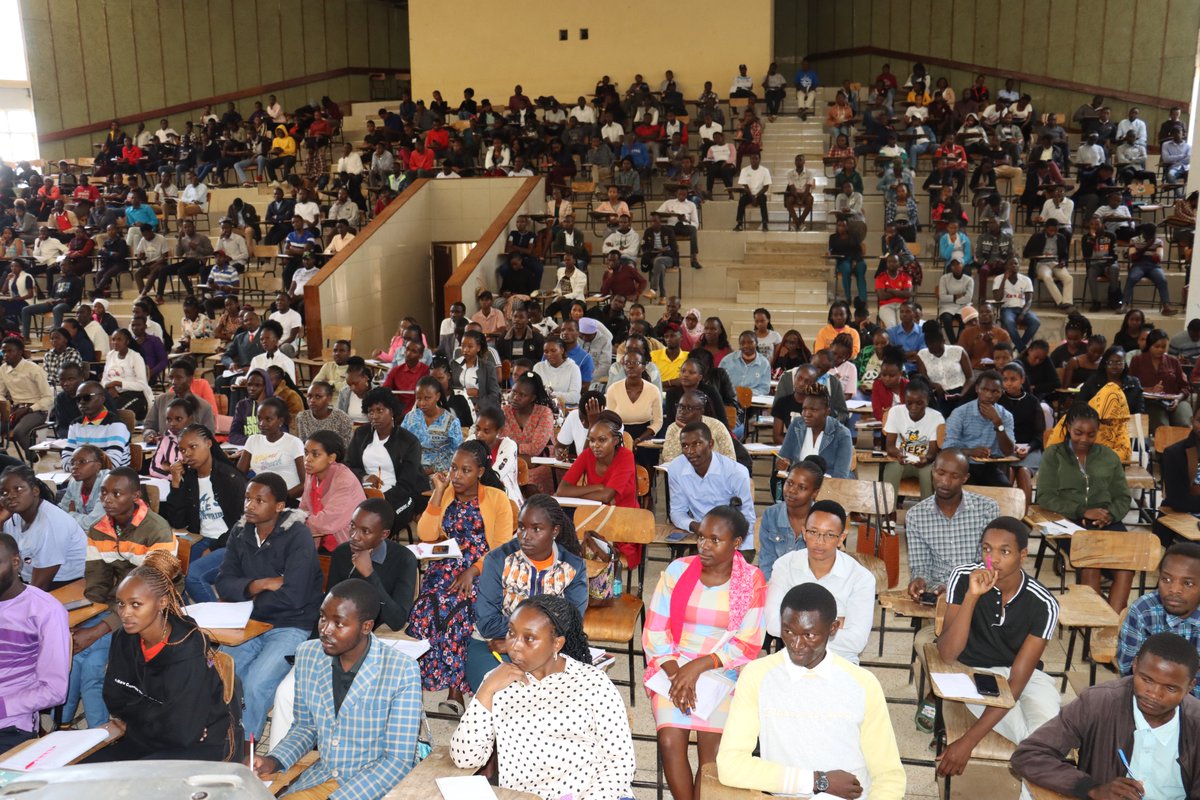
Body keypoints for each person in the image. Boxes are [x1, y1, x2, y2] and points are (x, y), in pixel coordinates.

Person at [717, 583, 906, 799]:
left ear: (833, 628)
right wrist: (817, 781)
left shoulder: (862, 683)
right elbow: (730, 765)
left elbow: (889, 775)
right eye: (788, 632)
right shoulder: (758, 676)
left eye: (809, 635)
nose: (797, 645)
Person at [451, 595, 636, 800]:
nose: (514, 645)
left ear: (557, 643)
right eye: (511, 633)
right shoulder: (497, 682)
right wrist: (486, 690)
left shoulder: (592, 682)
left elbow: (620, 762)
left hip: (596, 794)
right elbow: (464, 758)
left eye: (529, 638)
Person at [253, 578, 424, 798]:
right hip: (323, 778)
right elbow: (306, 727)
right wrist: (273, 760)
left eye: (338, 623)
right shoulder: (308, 654)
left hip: (374, 787)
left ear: (366, 626)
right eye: (323, 617)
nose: (325, 629)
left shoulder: (401, 670)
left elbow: (397, 761)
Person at [643, 506, 767, 800]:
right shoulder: (678, 570)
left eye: (715, 539)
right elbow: (655, 632)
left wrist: (697, 668)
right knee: (671, 742)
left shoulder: (751, 580)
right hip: (672, 664)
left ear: (736, 543)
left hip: (723, 670)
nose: (704, 546)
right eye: (701, 537)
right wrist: (678, 676)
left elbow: (748, 642)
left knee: (712, 755)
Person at [935, 516, 1061, 779]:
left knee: (1049, 743)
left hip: (1025, 677)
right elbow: (947, 654)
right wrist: (972, 596)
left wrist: (967, 742)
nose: (992, 560)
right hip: (976, 674)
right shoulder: (963, 577)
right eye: (986, 549)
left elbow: (1016, 681)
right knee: (1036, 745)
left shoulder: (1044, 603)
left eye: (1004, 551)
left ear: (1023, 555)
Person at [84, 551, 240, 763]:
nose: (125, 613)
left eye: (136, 604)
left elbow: (183, 732)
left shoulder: (187, 649)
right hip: (145, 738)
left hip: (196, 748)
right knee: (79, 772)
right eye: (120, 603)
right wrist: (158, 715)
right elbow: (114, 698)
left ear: (162, 602)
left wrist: (136, 719)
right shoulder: (123, 637)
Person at [1012, 632, 1200, 798]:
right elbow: (1029, 754)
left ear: (1190, 686)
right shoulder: (1099, 702)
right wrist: (1092, 788)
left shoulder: (1196, 723)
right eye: (1146, 679)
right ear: (1134, 666)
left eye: (1170, 688)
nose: (1154, 694)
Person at [215, 474, 324, 743]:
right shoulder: (240, 532)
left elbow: (295, 596)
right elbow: (223, 582)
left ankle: (244, 747)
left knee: (256, 683)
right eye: (248, 498)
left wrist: (246, 597)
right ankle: (219, 737)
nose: (249, 505)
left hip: (292, 624)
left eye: (259, 500)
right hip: (249, 622)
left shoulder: (297, 534)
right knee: (221, 673)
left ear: (278, 506)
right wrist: (257, 584)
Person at [410, 441, 514, 716]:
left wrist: (473, 570)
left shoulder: (496, 498)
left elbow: (502, 548)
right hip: (446, 565)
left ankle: (455, 692)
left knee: (460, 613)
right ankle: (419, 683)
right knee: (425, 610)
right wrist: (437, 493)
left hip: (483, 569)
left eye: (465, 470)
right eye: (453, 468)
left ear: (480, 471)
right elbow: (427, 534)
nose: (456, 475)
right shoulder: (446, 494)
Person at [67, 468, 177, 728]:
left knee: (92, 663)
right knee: (74, 651)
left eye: (117, 493)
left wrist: (97, 631)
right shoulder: (99, 530)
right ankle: (66, 723)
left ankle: (98, 737)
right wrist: (83, 624)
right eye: (104, 492)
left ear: (135, 496)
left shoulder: (157, 530)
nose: (108, 499)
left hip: (154, 611)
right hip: (117, 605)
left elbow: (151, 595)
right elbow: (96, 586)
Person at [466, 494, 588, 690]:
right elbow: (487, 623)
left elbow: (572, 622)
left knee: (561, 695)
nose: (525, 536)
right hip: (491, 646)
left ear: (554, 530)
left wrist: (519, 639)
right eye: (521, 527)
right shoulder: (498, 560)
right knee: (504, 692)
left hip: (550, 651)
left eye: (536, 529)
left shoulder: (572, 567)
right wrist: (525, 638)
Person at [1039, 404, 1134, 611]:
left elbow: (1123, 497)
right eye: (1078, 433)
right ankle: (1095, 621)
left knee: (1127, 566)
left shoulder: (1109, 457)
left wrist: (1110, 515)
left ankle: (1113, 624)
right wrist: (1082, 510)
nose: (1084, 439)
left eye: (1091, 434)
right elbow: (1044, 497)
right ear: (1067, 429)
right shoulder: (1054, 455)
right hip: (1068, 522)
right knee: (1091, 561)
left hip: (1106, 521)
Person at [764, 500, 875, 664]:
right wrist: (833, 624)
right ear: (803, 532)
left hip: (840, 662)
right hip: (793, 658)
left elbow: (856, 642)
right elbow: (773, 625)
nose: (819, 541)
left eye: (829, 535)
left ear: (841, 538)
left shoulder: (861, 578)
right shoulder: (784, 566)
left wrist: (795, 626)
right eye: (813, 532)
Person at [0, 532, 70, 751]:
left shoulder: (44, 611)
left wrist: (2, 707)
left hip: (9, 725)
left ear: (15, 562)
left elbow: (55, 690)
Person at [346, 388, 430, 532]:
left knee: (378, 522)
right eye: (371, 412)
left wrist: (381, 499)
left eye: (380, 410)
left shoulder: (409, 441)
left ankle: (379, 551)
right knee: (346, 516)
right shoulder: (361, 434)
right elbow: (348, 466)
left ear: (391, 412)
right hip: (364, 494)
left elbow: (407, 484)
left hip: (399, 497)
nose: (375, 416)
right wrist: (364, 477)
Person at [0, 464, 85, 591]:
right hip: (28, 581)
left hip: (67, 585)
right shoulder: (14, 517)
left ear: (35, 491)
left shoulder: (51, 522)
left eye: (18, 489)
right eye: (3, 493)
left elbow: (39, 587)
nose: (10, 496)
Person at [667, 423, 755, 543]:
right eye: (685, 446)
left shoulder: (735, 472)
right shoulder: (676, 468)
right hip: (700, 535)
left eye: (697, 444)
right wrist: (695, 526)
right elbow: (677, 511)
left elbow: (747, 518)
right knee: (691, 561)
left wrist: (725, 537)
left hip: (734, 537)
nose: (690, 451)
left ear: (711, 444)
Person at [942, 370, 1015, 486]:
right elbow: (947, 449)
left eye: (995, 391)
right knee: (968, 490)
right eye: (985, 390)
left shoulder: (1005, 416)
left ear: (1001, 392)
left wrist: (998, 423)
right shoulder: (960, 413)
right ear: (977, 389)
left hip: (991, 467)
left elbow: (1008, 451)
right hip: (963, 465)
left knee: (1005, 488)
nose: (989, 395)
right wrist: (971, 452)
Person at [757, 457, 825, 582]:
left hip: (809, 587)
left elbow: (821, 568)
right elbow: (766, 562)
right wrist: (772, 589)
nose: (792, 490)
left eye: (802, 487)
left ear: (815, 493)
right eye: (789, 483)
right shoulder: (771, 514)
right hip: (775, 583)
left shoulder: (822, 521)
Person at [299, 429, 366, 553]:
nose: (307, 459)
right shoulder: (311, 474)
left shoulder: (344, 480)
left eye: (315, 454)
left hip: (346, 546)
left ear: (331, 458)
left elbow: (327, 522)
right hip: (317, 541)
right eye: (306, 453)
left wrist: (296, 521)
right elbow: (303, 507)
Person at [882, 378, 945, 501]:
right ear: (903, 400)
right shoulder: (895, 412)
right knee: (891, 469)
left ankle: (926, 514)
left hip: (924, 462)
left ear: (927, 401)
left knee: (928, 473)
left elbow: (932, 453)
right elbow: (889, 446)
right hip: (901, 459)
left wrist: (926, 459)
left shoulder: (936, 418)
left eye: (919, 403)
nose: (914, 407)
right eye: (909, 402)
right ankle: (889, 514)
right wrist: (899, 454)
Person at [777, 384, 853, 480]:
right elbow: (784, 457)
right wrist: (783, 463)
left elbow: (840, 476)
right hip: (799, 483)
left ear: (827, 412)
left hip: (828, 487)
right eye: (804, 409)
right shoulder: (797, 425)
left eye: (813, 409)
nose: (806, 414)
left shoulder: (842, 434)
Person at [237, 397, 305, 500]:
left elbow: (306, 483)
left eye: (268, 419)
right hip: (262, 501)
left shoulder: (293, 443)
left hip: (289, 500)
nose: (261, 424)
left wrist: (281, 499)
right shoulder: (253, 440)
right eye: (259, 418)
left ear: (280, 421)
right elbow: (239, 476)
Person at [0, 336, 54, 453]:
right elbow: (0, 393)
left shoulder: (33, 369)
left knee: (20, 432)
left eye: (9, 351)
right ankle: (4, 458)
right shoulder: (3, 369)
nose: (5, 354)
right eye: (3, 351)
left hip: (36, 411)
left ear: (19, 352)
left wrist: (28, 409)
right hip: (15, 409)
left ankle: (34, 458)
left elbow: (48, 398)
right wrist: (5, 407)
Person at [1130, 329, 1193, 428]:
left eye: (1163, 347)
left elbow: (1185, 386)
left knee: (1184, 423)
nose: (1160, 350)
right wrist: (1149, 389)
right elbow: (1131, 386)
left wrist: (1178, 399)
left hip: (1175, 400)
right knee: (1161, 426)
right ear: (1149, 345)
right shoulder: (1137, 360)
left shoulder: (1173, 361)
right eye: (1157, 346)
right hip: (1151, 402)